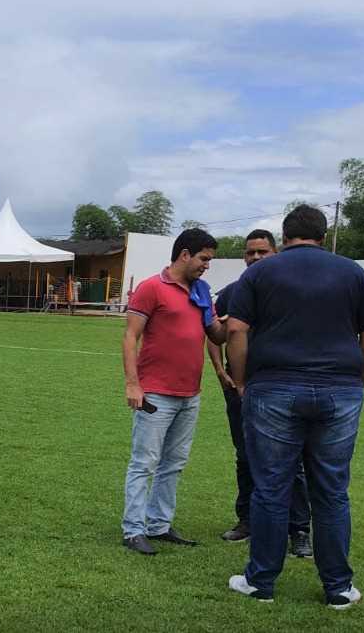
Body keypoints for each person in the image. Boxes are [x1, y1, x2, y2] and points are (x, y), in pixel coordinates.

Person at [224, 205, 364, 608]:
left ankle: (260, 582)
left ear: (286, 234)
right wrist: (356, 380)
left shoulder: (259, 272)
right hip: (340, 390)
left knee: (271, 489)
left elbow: (237, 331)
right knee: (331, 491)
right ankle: (339, 588)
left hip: (274, 386)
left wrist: (242, 380)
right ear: (323, 233)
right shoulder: (354, 273)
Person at [120, 228, 228, 555]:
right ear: (185, 254)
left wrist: (239, 319)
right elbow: (130, 337)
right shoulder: (152, 288)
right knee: (145, 462)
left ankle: (159, 524)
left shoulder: (201, 292)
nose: (207, 266)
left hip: (189, 394)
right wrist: (132, 383)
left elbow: (217, 335)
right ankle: (133, 530)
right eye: (204, 259)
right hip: (156, 393)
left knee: (174, 463)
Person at [206, 230, 312, 557]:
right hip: (239, 389)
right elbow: (213, 331)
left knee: (291, 459)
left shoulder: (288, 290)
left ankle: (299, 530)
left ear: (276, 252)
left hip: (278, 386)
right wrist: (221, 370)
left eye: (261, 252)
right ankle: (247, 520)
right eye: (249, 252)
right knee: (245, 454)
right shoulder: (234, 291)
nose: (254, 258)